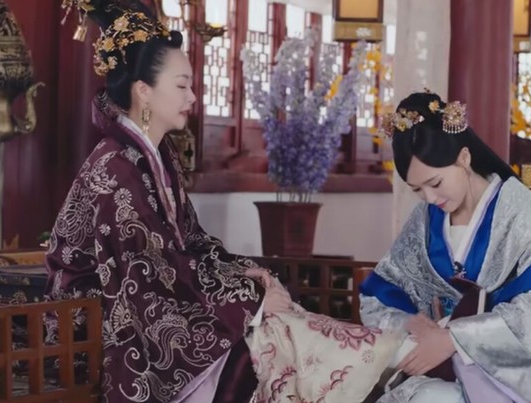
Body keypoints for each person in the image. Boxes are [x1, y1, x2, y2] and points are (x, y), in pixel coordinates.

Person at [46, 1, 402, 402]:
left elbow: (191, 242)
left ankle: (377, 359)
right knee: (261, 347)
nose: (193, 96)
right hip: (103, 318)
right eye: (181, 86)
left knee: (278, 325)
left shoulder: (157, 155)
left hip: (149, 296)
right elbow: (151, 268)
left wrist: (249, 276)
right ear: (143, 91)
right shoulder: (116, 167)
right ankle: (382, 356)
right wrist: (251, 300)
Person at [359, 91, 531, 403]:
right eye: (417, 190)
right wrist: (411, 322)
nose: (429, 198)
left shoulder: (520, 216)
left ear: (464, 158)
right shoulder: (425, 220)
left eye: (435, 183)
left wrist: (455, 338)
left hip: (512, 376)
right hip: (441, 370)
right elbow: (380, 294)